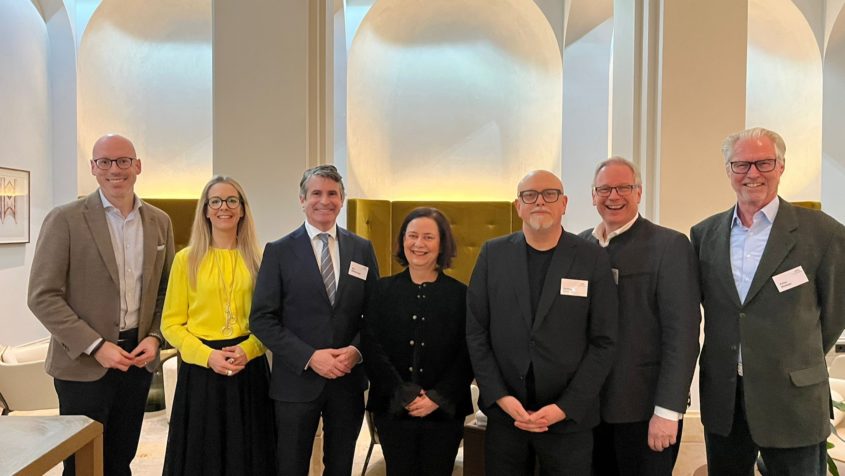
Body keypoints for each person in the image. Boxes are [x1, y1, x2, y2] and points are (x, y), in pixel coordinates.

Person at [691, 127, 845, 475]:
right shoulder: (704, 234)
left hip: (793, 398)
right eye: (741, 164)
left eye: (764, 163)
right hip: (726, 398)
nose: (753, 174)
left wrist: (794, 355)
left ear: (781, 166)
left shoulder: (823, 232)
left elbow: (835, 312)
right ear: (728, 170)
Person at [27, 134, 175, 476]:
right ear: (93, 168)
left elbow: (166, 289)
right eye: (104, 162)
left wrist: (154, 336)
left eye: (123, 161)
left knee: (121, 459)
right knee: (82, 466)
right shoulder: (64, 219)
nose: (114, 169)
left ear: (137, 166)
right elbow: (42, 295)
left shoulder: (159, 222)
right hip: (82, 366)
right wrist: (96, 346)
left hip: (137, 362)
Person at [466, 170, 618, 475]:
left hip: (569, 420)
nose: (540, 201)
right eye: (529, 195)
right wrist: (500, 397)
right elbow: (476, 332)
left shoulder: (592, 258)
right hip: (507, 417)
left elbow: (604, 341)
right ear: (517, 206)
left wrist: (565, 407)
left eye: (550, 194)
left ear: (564, 204)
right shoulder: (492, 254)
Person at [249, 164, 380, 476]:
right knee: (290, 466)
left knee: (340, 466)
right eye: (316, 193)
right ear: (302, 199)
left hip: (347, 382)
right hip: (296, 383)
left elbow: (376, 315)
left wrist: (356, 351)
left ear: (342, 199)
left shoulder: (361, 248)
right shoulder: (278, 251)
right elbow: (262, 319)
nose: (325, 200)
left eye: (332, 193)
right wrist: (310, 357)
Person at [578, 157, 700, 476]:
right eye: (604, 188)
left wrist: (668, 411)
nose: (613, 196)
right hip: (586, 411)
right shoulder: (579, 246)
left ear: (639, 193)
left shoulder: (669, 246)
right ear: (592, 195)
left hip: (644, 412)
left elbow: (683, 336)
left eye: (624, 188)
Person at [160, 176, 275, 475]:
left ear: (242, 210)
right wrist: (206, 355)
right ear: (206, 210)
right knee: (203, 455)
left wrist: (250, 350)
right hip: (201, 371)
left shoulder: (261, 260)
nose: (224, 207)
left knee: (250, 454)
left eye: (231, 200)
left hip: (248, 368)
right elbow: (170, 324)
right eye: (216, 201)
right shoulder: (186, 260)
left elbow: (272, 319)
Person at [362, 207, 474, 476]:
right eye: (412, 236)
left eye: (428, 237)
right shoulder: (381, 290)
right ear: (403, 241)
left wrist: (436, 397)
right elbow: (371, 346)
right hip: (392, 407)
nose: (418, 244)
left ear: (442, 244)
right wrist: (405, 394)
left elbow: (468, 352)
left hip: (444, 411)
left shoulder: (461, 295)